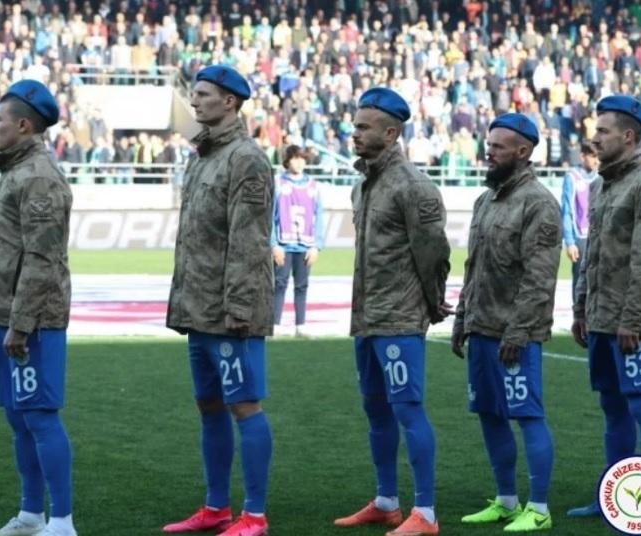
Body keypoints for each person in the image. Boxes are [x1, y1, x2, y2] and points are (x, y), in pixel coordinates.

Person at [334, 87, 451, 536]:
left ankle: (426, 513)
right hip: (366, 318)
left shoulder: (413, 186)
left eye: (364, 127)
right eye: (355, 125)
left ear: (391, 133)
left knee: (407, 410)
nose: (355, 133)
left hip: (399, 318)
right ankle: (386, 502)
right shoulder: (363, 184)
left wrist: (432, 301)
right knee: (375, 410)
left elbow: (434, 253)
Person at [163, 65, 274, 536]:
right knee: (208, 407)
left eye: (203, 94)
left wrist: (239, 310)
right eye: (194, 93)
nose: (194, 101)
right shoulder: (204, 156)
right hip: (199, 310)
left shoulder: (246, 159)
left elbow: (248, 244)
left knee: (245, 407)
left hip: (230, 313)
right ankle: (216, 508)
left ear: (229, 102)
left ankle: (255, 515)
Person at [0, 80, 76, 536]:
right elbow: (6, 252)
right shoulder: (16, 171)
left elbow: (40, 258)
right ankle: (32, 515)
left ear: (25, 125)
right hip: (10, 316)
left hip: (35, 320)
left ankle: (62, 521)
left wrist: (21, 323)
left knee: (39, 416)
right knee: (18, 417)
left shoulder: (39, 177)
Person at [567, 95, 641, 518]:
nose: (594, 138)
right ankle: (614, 497)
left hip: (633, 324)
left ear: (628, 136)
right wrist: (581, 308)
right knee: (612, 409)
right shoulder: (600, 185)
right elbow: (592, 255)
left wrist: (632, 318)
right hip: (601, 319)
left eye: (603, 131)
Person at [451, 113, 560, 532]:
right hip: (481, 329)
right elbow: (473, 266)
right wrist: (462, 318)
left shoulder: (539, 203)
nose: (489, 152)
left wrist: (518, 330)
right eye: (489, 144)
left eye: (498, 146)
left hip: (516, 334)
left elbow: (539, 276)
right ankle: (507, 500)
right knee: (489, 415)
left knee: (527, 416)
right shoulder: (485, 200)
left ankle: (540, 508)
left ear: (523, 151)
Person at [271, 144, 325, 337]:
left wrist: (316, 246)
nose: (299, 162)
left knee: (302, 285)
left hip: (305, 245)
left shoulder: (313, 186)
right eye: (295, 158)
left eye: (302, 158)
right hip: (284, 245)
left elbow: (319, 217)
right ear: (287, 161)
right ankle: (275, 324)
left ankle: (300, 325)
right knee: (279, 284)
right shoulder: (278, 183)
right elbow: (270, 216)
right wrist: (273, 245)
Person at [560, 141, 599, 302]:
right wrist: (570, 242)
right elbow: (567, 211)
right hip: (581, 238)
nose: (597, 161)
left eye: (598, 156)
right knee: (580, 283)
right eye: (593, 156)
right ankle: (578, 315)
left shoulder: (601, 176)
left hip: (599, 238)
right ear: (583, 157)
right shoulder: (572, 177)